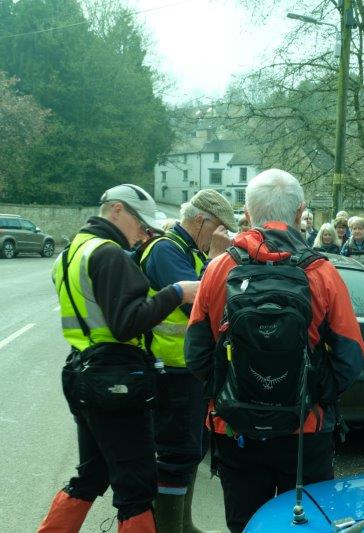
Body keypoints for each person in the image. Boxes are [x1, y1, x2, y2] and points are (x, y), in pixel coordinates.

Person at [183, 169, 364, 532]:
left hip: (235, 429)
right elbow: (351, 356)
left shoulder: (219, 269)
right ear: (300, 213)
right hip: (305, 431)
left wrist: (231, 391)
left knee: (246, 524)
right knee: (308, 526)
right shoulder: (322, 272)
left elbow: (196, 353)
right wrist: (311, 391)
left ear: (247, 215)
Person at [39, 184, 198, 533]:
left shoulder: (71, 253)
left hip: (83, 371)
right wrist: (177, 292)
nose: (144, 233)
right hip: (116, 382)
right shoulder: (108, 254)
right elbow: (126, 324)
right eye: (141, 223)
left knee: (92, 475)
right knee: (137, 489)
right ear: (116, 210)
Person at [135, 189, 235, 531]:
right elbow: (196, 305)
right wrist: (217, 258)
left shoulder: (186, 250)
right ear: (200, 220)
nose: (220, 235)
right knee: (174, 456)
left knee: (192, 449)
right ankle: (169, 527)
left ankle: (183, 523)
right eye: (219, 227)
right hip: (169, 371)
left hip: (188, 371)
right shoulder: (165, 250)